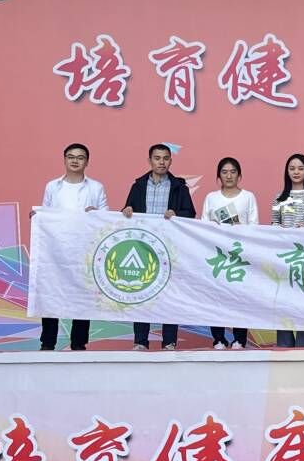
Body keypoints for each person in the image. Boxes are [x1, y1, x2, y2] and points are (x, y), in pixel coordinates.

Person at [122, 143, 196, 351]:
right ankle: (140, 341)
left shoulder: (179, 187)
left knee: (169, 295)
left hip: (169, 249)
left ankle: (169, 341)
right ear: (150, 161)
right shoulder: (138, 186)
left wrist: (176, 214)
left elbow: (190, 214)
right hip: (142, 247)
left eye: (165, 158)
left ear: (170, 161)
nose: (161, 162)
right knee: (140, 292)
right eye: (157, 158)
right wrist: (126, 209)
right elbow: (127, 212)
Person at [35, 143, 107, 351]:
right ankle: (47, 343)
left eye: (80, 157)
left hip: (84, 251)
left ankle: (79, 343)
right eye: (71, 156)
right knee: (51, 294)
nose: (75, 160)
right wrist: (38, 217)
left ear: (87, 162)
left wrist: (97, 214)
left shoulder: (96, 187)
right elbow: (47, 215)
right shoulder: (53, 186)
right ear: (64, 159)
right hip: (56, 251)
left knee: (82, 296)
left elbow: (106, 219)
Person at [202, 156, 257, 350]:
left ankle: (239, 339)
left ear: (239, 175)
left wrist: (241, 227)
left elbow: (255, 226)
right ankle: (218, 338)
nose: (229, 176)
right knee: (216, 297)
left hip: (239, 255)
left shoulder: (248, 197)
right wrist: (212, 226)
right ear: (219, 176)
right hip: (217, 255)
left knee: (240, 298)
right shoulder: (211, 198)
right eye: (224, 172)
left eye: (233, 172)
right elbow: (202, 226)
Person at [271, 153, 304, 348]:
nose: (296, 172)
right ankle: (284, 347)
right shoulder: (279, 198)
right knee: (283, 305)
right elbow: (273, 225)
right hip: (284, 261)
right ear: (287, 172)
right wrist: (280, 230)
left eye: (300, 168)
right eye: (292, 168)